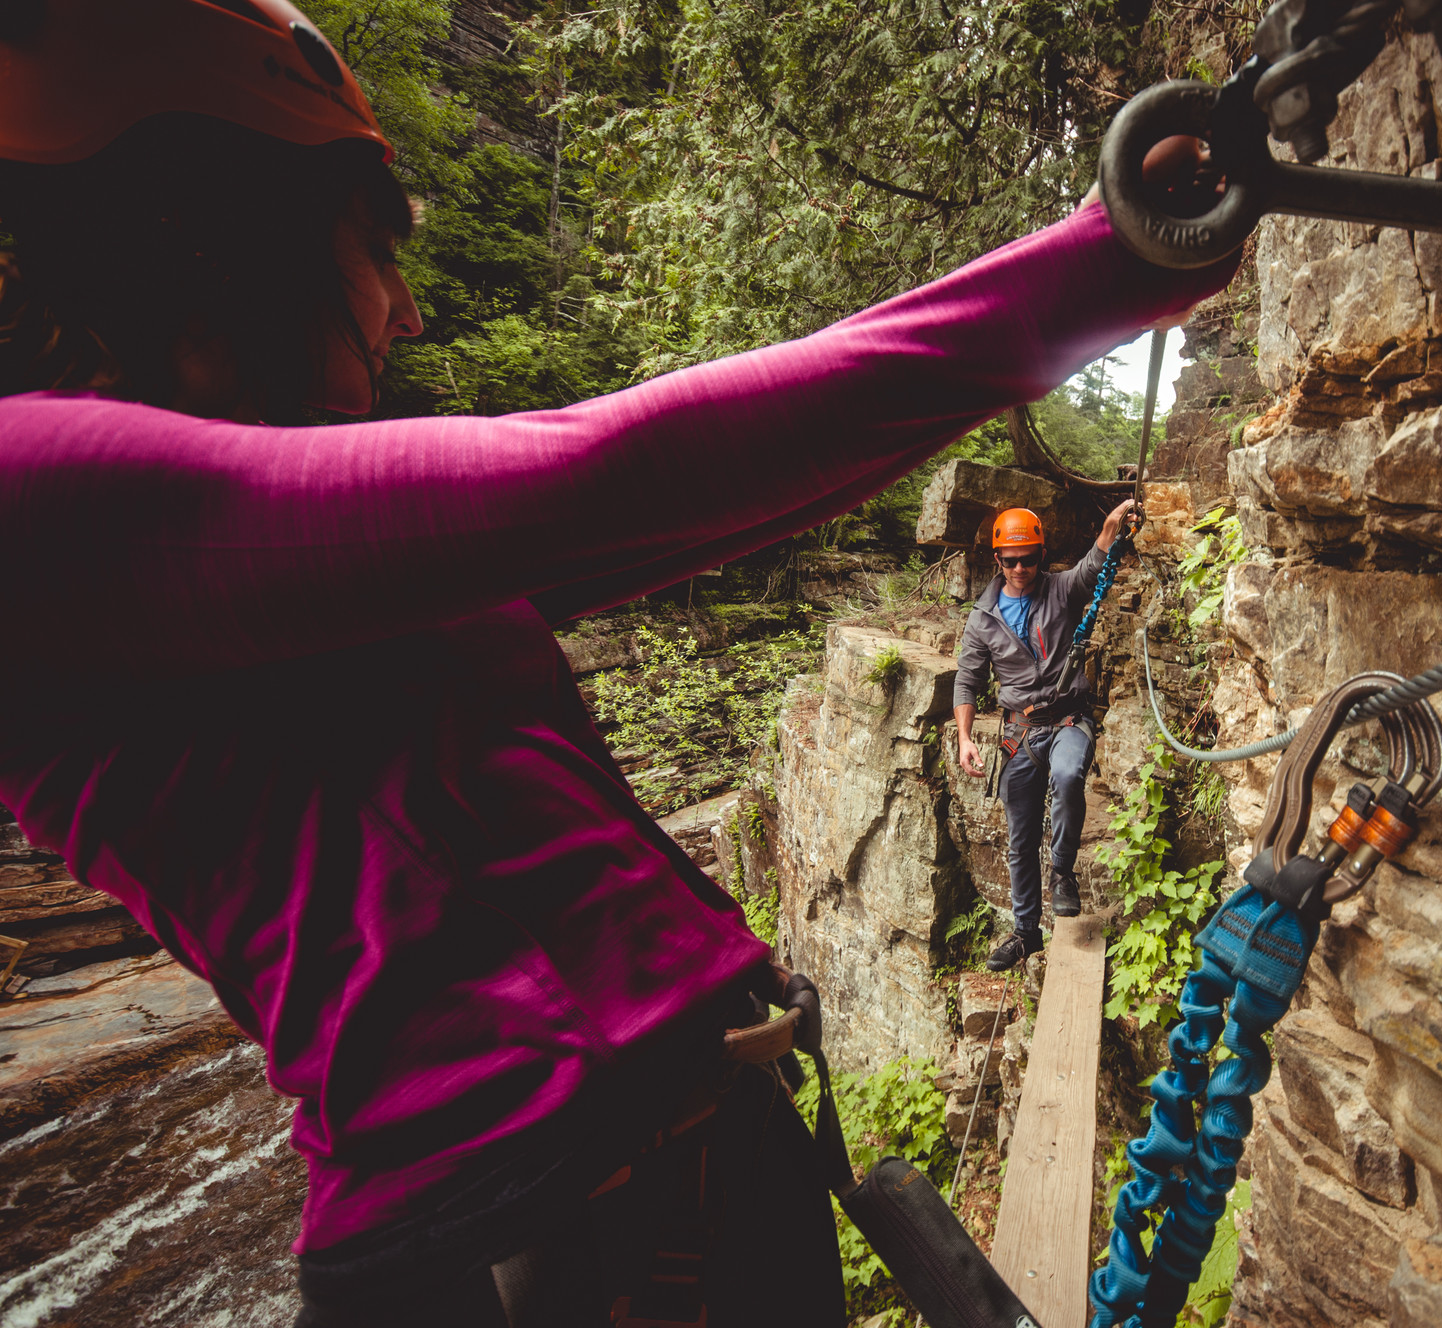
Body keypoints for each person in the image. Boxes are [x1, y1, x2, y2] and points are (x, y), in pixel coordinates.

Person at [0, 0, 1233, 1322]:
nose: (408, 313)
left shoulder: (249, 540)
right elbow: (611, 475)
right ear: (229, 233)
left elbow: (719, 497)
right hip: (543, 1235)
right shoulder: (35, 493)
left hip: (632, 1192)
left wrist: (1121, 267)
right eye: (378, 247)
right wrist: (1114, 264)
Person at [954, 500, 1135, 970]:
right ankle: (1026, 932)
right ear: (997, 561)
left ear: (1041, 554)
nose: (1019, 568)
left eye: (1028, 558)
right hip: (1019, 733)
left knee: (1070, 774)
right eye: (1010, 561)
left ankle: (1063, 874)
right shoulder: (982, 617)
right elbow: (967, 681)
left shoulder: (1062, 590)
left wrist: (1111, 528)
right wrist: (966, 737)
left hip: (1068, 719)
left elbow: (1093, 566)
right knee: (1018, 838)